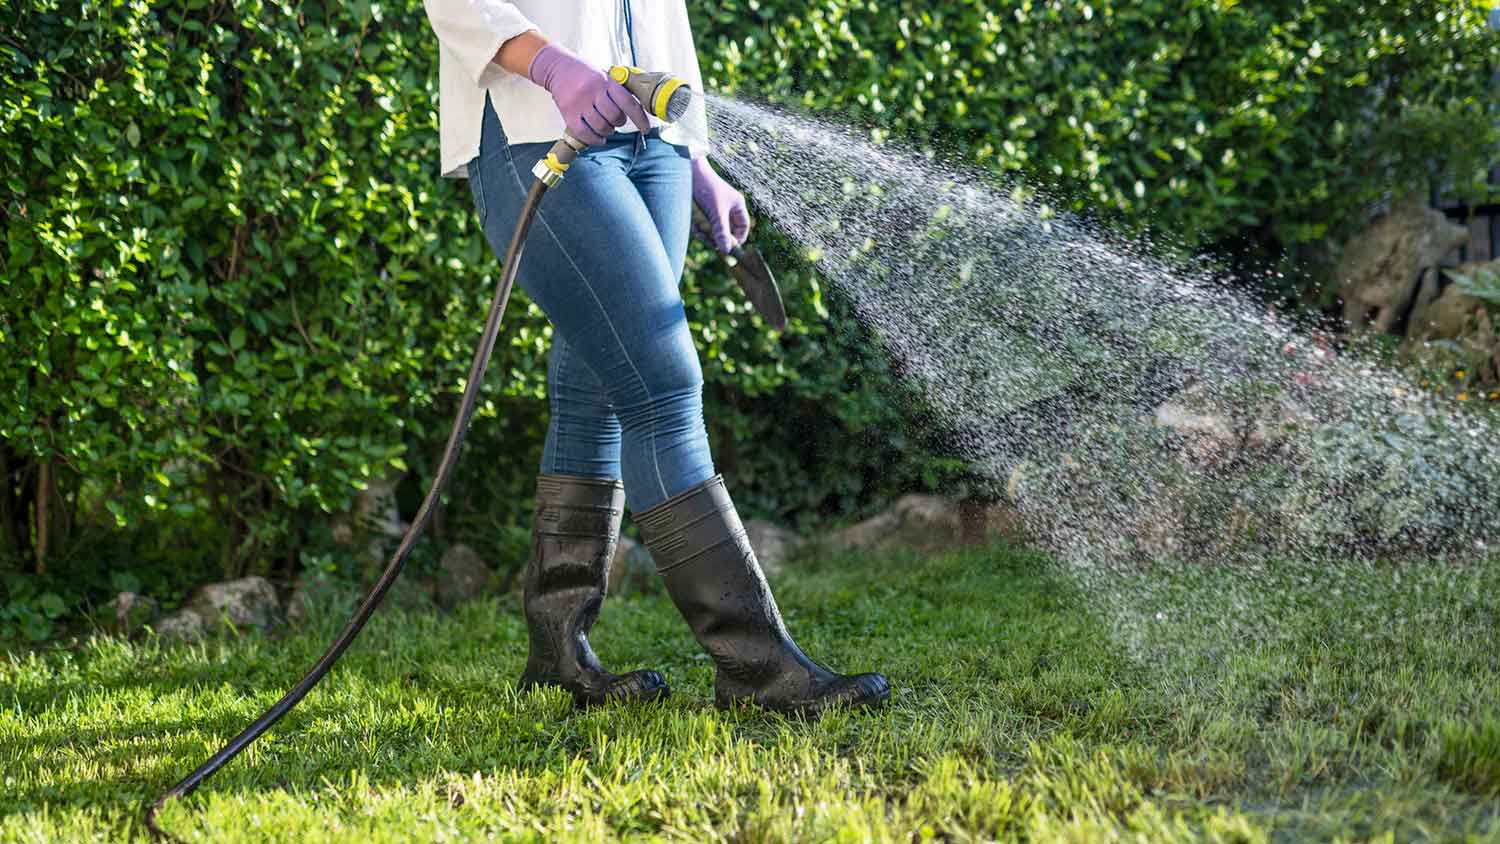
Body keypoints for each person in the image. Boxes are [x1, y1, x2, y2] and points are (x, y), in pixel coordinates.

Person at [421, 0, 889, 716]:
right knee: (663, 387)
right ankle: (757, 669)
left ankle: (558, 655)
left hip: (655, 142)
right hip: (539, 126)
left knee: (597, 393)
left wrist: (696, 159)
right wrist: (551, 64)